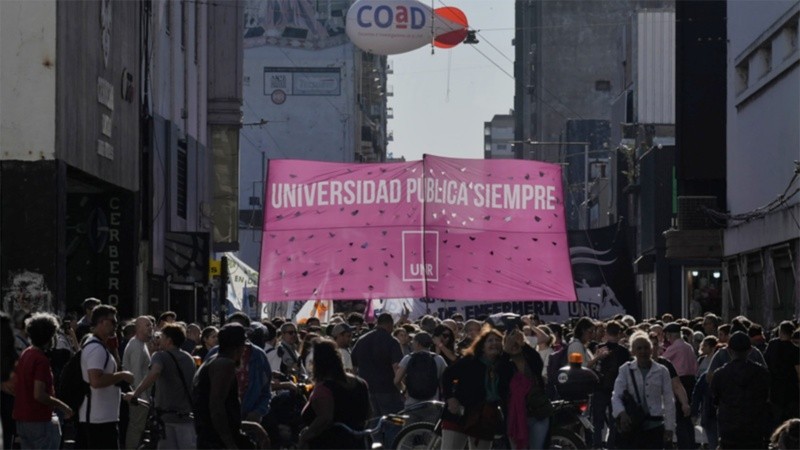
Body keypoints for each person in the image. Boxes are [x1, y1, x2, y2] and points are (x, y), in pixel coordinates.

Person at [193, 323, 269, 449]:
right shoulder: (224, 365)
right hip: (216, 442)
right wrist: (230, 444)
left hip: (211, 438)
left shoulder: (213, 360)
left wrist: (253, 426)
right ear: (239, 346)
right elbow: (216, 408)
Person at [125, 323, 197, 449]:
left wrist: (135, 393)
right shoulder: (188, 358)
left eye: (162, 337)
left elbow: (155, 372)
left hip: (167, 419)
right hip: (186, 417)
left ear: (169, 340)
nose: (159, 339)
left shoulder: (160, 356)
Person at [12, 313, 74, 449]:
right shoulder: (41, 360)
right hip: (38, 419)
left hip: (22, 418)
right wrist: (64, 407)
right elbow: (39, 394)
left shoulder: (26, 354)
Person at [78, 304, 135, 449]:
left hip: (102, 418)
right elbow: (96, 381)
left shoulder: (99, 346)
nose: (116, 326)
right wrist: (122, 375)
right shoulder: (96, 348)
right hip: (98, 421)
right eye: (113, 322)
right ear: (102, 322)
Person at [440, 327, 506, 450]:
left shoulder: (503, 366)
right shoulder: (470, 361)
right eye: (490, 341)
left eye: (498, 340)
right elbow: (447, 375)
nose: (494, 343)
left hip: (484, 419)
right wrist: (450, 398)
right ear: (482, 346)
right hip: (459, 415)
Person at [298, 339, 371, 449]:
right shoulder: (360, 383)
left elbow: (325, 419)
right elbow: (369, 413)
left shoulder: (324, 389)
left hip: (331, 443)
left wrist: (305, 436)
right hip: (358, 442)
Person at [611, 331, 675, 450]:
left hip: (655, 427)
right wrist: (622, 413)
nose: (643, 351)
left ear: (651, 350)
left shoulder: (662, 371)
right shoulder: (625, 369)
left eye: (646, 348)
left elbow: (669, 400)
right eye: (639, 348)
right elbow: (616, 395)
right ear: (633, 351)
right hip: (633, 427)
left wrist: (670, 428)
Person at [206, 312, 273, 423]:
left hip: (248, 418)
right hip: (220, 419)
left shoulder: (258, 355)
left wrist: (258, 411)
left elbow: (266, 390)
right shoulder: (215, 354)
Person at [709, 331, 771, 449]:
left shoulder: (720, 374)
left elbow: (715, 398)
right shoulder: (762, 373)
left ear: (729, 350)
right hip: (755, 428)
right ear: (750, 350)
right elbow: (766, 396)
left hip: (728, 428)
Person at [498, 327, 550, 449]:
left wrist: (523, 344)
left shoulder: (530, 358)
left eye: (517, 342)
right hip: (514, 416)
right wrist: (506, 351)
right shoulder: (503, 362)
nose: (514, 345)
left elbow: (538, 364)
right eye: (511, 342)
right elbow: (500, 378)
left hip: (538, 413)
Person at [351, 313, 404, 416]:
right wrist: (401, 387)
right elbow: (396, 367)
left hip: (367, 389)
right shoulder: (392, 341)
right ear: (390, 325)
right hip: (387, 389)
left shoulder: (362, 340)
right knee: (392, 423)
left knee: (373, 423)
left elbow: (353, 367)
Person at [591, 320, 631, 450]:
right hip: (618, 388)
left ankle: (597, 445)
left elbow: (595, 368)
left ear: (606, 333)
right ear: (619, 334)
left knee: (598, 421)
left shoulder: (600, 348)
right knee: (614, 421)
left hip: (600, 387)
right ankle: (611, 445)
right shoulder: (624, 352)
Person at [660, 322, 697, 449]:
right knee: (687, 417)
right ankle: (691, 444)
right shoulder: (688, 346)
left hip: (679, 382)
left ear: (669, 335)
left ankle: (683, 445)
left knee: (679, 416)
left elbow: (661, 360)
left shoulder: (674, 347)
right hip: (691, 381)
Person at [121, 316, 153, 449]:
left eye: (151, 325)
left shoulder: (141, 344)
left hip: (140, 395)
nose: (151, 328)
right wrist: (140, 396)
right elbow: (135, 374)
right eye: (147, 325)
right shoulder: (136, 346)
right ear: (138, 328)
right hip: (138, 397)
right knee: (136, 428)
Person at [394, 332, 447, 406]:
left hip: (412, 402)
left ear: (418, 343)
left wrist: (404, 391)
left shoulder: (408, 358)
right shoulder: (439, 359)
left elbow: (396, 381)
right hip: (432, 403)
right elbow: (444, 381)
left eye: (413, 341)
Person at [763, 320, 800, 424]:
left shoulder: (772, 345)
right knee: (790, 419)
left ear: (780, 331)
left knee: (776, 419)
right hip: (791, 390)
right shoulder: (795, 350)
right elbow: (798, 372)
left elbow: (765, 364)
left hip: (774, 388)